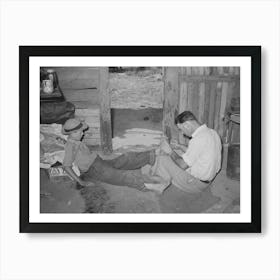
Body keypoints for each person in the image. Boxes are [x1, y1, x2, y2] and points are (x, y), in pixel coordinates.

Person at [62, 118, 169, 191]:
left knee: (126, 157)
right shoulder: (70, 146)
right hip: (93, 170)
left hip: (99, 162)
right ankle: (149, 185)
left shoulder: (76, 141)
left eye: (81, 131)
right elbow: (66, 166)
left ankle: (152, 154)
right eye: (78, 132)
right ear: (70, 134)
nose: (82, 133)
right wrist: (81, 182)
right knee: (120, 176)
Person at [150, 111, 222, 193]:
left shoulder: (198, 139)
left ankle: (158, 184)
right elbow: (198, 152)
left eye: (181, 129)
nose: (182, 133)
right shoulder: (212, 132)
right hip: (208, 179)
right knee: (177, 152)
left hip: (195, 184)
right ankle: (160, 178)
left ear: (187, 125)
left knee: (163, 158)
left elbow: (182, 165)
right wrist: (179, 146)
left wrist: (169, 151)